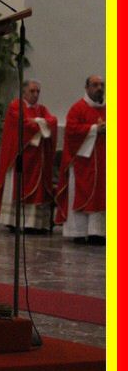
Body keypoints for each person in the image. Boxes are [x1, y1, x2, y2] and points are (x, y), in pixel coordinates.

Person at [0, 80, 58, 232]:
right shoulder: (15, 106)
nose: (35, 94)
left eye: (38, 92)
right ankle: (13, 221)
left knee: (37, 191)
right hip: (20, 157)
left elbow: (53, 121)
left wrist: (37, 121)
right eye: (32, 91)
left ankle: (35, 224)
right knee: (18, 187)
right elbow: (23, 125)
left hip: (37, 160)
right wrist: (41, 123)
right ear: (23, 93)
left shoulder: (41, 109)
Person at [55, 75, 106, 244]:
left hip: (104, 163)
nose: (99, 88)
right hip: (82, 162)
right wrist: (94, 129)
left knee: (103, 195)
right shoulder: (77, 108)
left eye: (102, 85)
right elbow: (71, 131)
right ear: (86, 88)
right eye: (95, 85)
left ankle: (98, 233)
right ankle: (79, 232)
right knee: (80, 194)